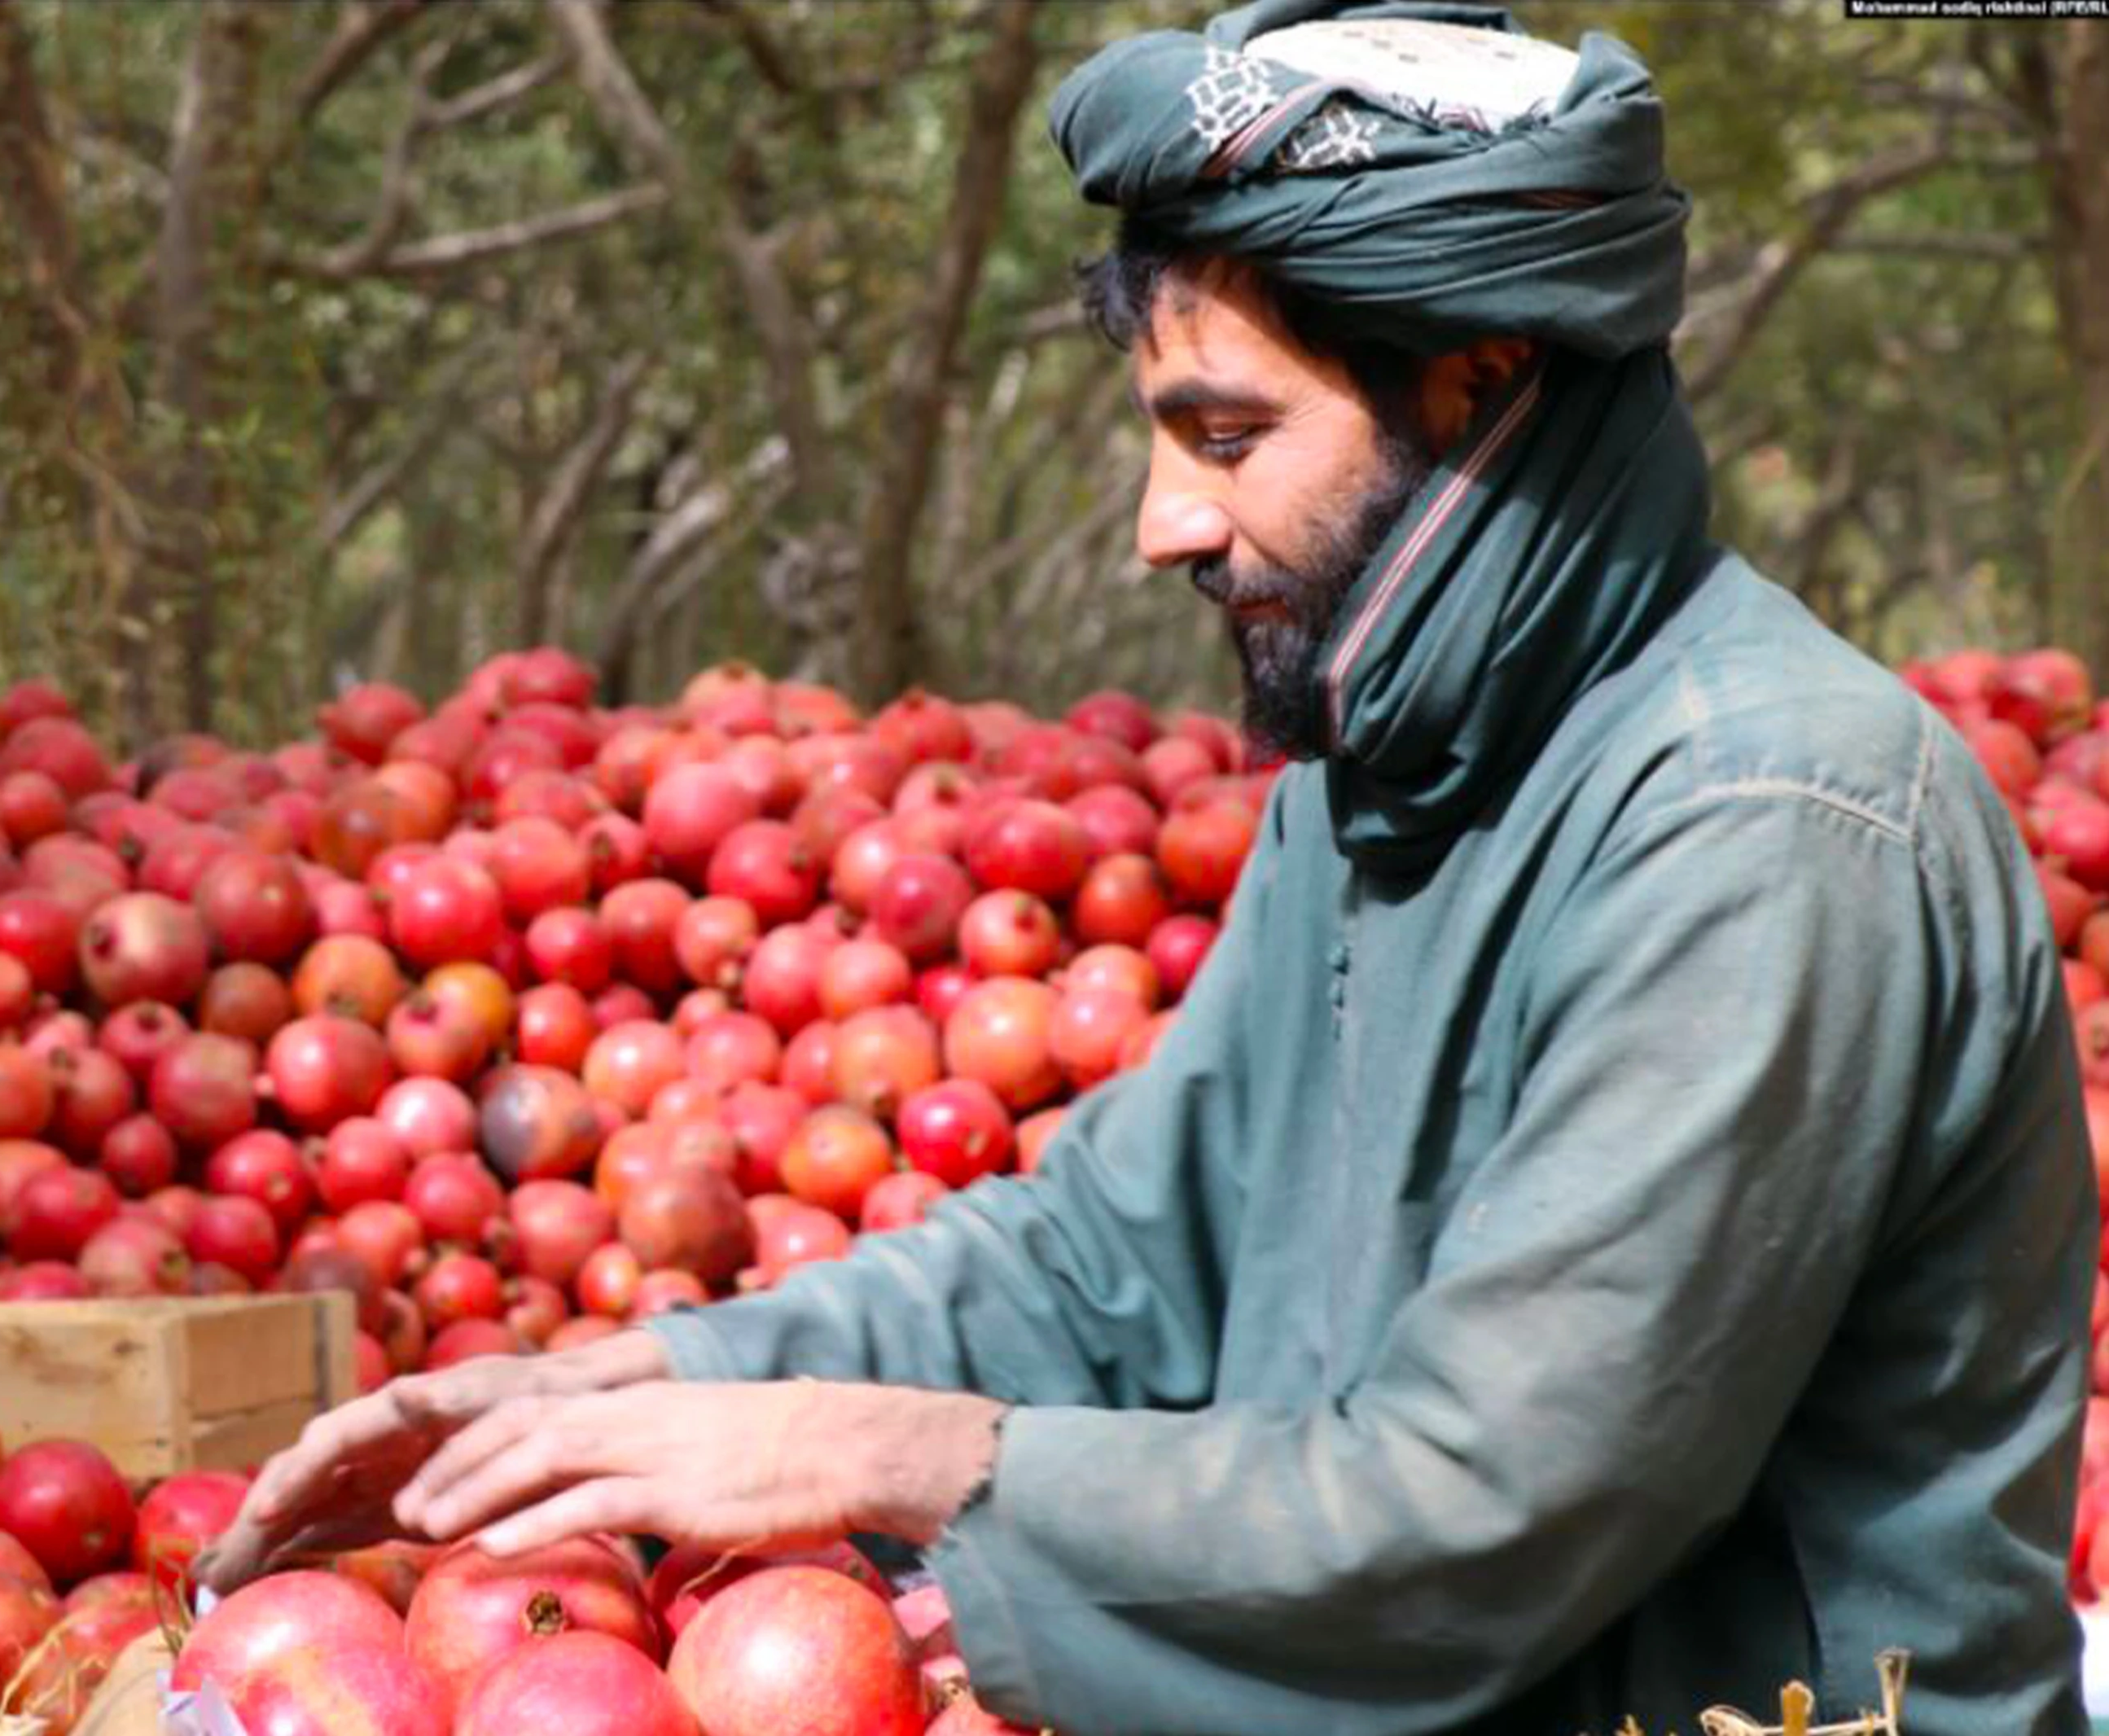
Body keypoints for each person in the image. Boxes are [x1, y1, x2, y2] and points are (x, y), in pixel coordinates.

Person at [199, 3, 2095, 1730]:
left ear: (1479, 385)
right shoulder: (1392, 763)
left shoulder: (1767, 821)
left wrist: (887, 1447)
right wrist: (639, 1391)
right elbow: (1117, 1258)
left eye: (1227, 436)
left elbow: (1486, 1506)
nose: (1159, 524)